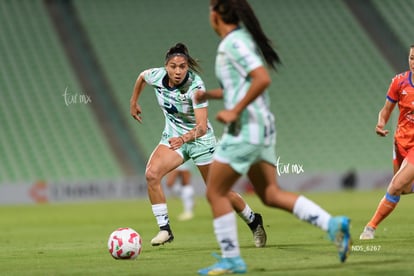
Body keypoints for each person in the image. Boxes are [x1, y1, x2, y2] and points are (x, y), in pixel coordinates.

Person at [198, 1, 351, 274]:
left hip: (246, 131)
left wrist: (234, 110)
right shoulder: (240, 41)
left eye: (210, 8)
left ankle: (231, 259)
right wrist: (210, 95)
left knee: (215, 191)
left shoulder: (232, 44)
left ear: (218, 13)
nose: (207, 14)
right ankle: (332, 223)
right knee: (270, 194)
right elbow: (243, 85)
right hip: (261, 130)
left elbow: (261, 78)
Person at [130, 42, 267, 247]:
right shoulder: (156, 76)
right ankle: (165, 230)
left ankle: (253, 219)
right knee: (152, 175)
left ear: (188, 67)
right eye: (173, 66)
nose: (178, 71)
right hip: (174, 136)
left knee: (218, 192)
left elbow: (201, 127)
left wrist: (183, 139)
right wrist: (134, 102)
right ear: (166, 67)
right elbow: (142, 76)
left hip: (200, 141)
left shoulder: (196, 86)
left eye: (182, 66)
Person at [360, 44, 414, 240]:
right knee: (404, 189)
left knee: (395, 184)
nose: (413, 62)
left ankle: (370, 227)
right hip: (399, 143)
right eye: (411, 58)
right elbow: (386, 110)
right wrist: (380, 123)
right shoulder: (399, 82)